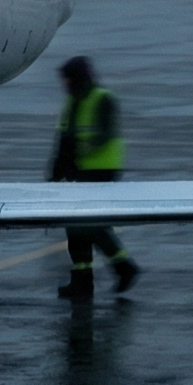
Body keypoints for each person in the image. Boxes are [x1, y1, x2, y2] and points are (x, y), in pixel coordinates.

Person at [50, 56, 138, 298]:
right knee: (79, 226)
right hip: (79, 172)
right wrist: (54, 174)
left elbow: (104, 135)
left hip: (101, 170)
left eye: (69, 78)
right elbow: (62, 141)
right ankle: (86, 279)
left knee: (88, 224)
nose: (66, 83)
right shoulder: (72, 102)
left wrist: (77, 156)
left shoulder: (102, 99)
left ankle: (122, 268)